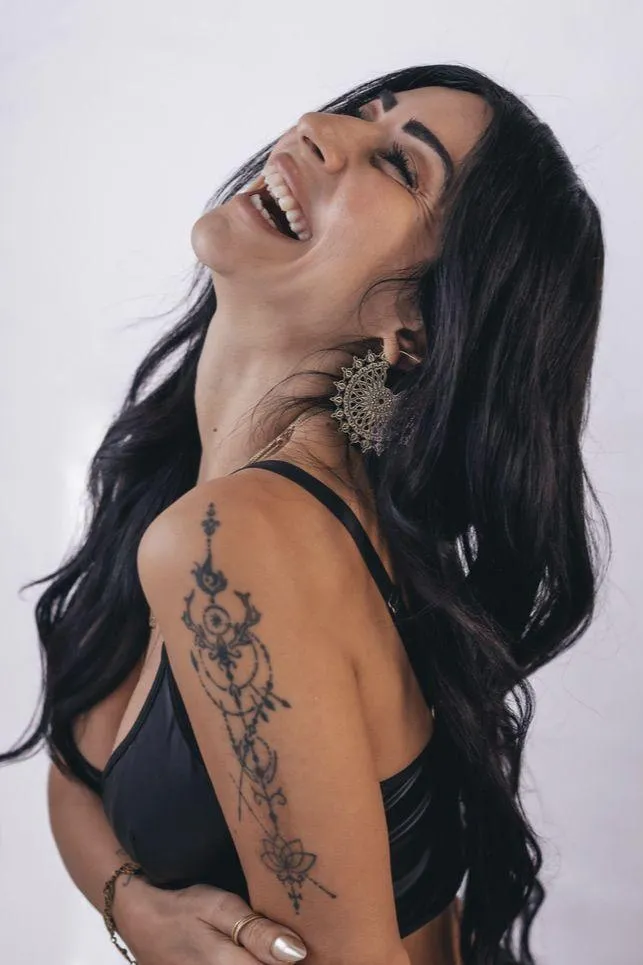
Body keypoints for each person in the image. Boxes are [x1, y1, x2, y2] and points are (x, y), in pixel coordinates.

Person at [2, 63, 609, 965]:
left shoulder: (242, 541)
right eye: (360, 112)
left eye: (399, 165)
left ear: (416, 328)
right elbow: (81, 767)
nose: (318, 126)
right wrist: (134, 905)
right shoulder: (194, 488)